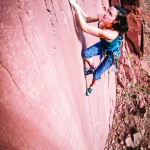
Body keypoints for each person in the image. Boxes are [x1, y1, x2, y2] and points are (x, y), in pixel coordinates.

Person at [69, 0, 128, 96]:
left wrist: (76, 8)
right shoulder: (104, 17)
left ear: (116, 21)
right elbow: (87, 19)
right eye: (108, 10)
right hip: (104, 45)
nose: (106, 14)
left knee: (96, 74)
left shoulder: (111, 33)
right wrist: (77, 7)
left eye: (110, 14)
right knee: (85, 54)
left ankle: (91, 87)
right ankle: (92, 68)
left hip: (112, 55)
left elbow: (85, 28)